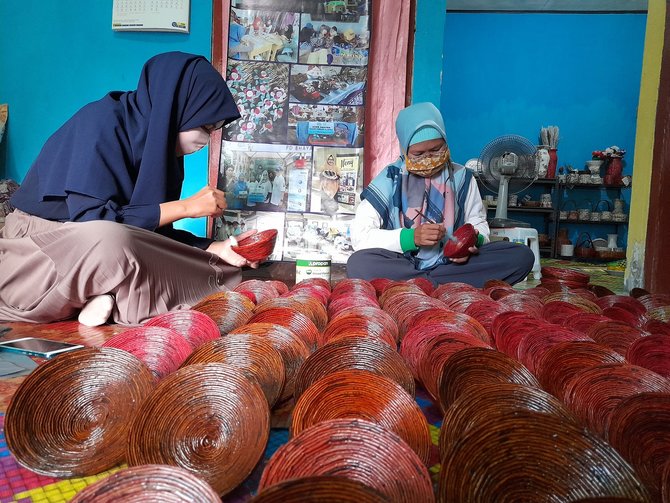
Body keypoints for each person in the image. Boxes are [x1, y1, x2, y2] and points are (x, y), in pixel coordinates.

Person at [1, 52, 260, 327]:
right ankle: (103, 296)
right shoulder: (100, 121)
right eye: (206, 126)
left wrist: (214, 248)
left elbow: (150, 234)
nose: (207, 140)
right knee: (113, 242)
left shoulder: (162, 152)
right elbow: (95, 222)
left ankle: (102, 296)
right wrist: (187, 207)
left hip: (104, 245)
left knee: (218, 268)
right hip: (39, 249)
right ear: (175, 109)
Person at [346, 102, 534, 288]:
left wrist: (470, 241)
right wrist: (410, 238)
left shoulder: (462, 177)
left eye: (436, 150)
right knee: (359, 263)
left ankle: (418, 285)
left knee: (522, 256)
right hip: (403, 264)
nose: (428, 158)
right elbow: (360, 236)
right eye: (418, 153)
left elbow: (479, 225)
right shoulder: (390, 178)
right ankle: (442, 285)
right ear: (404, 150)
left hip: (453, 264)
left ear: (445, 141)